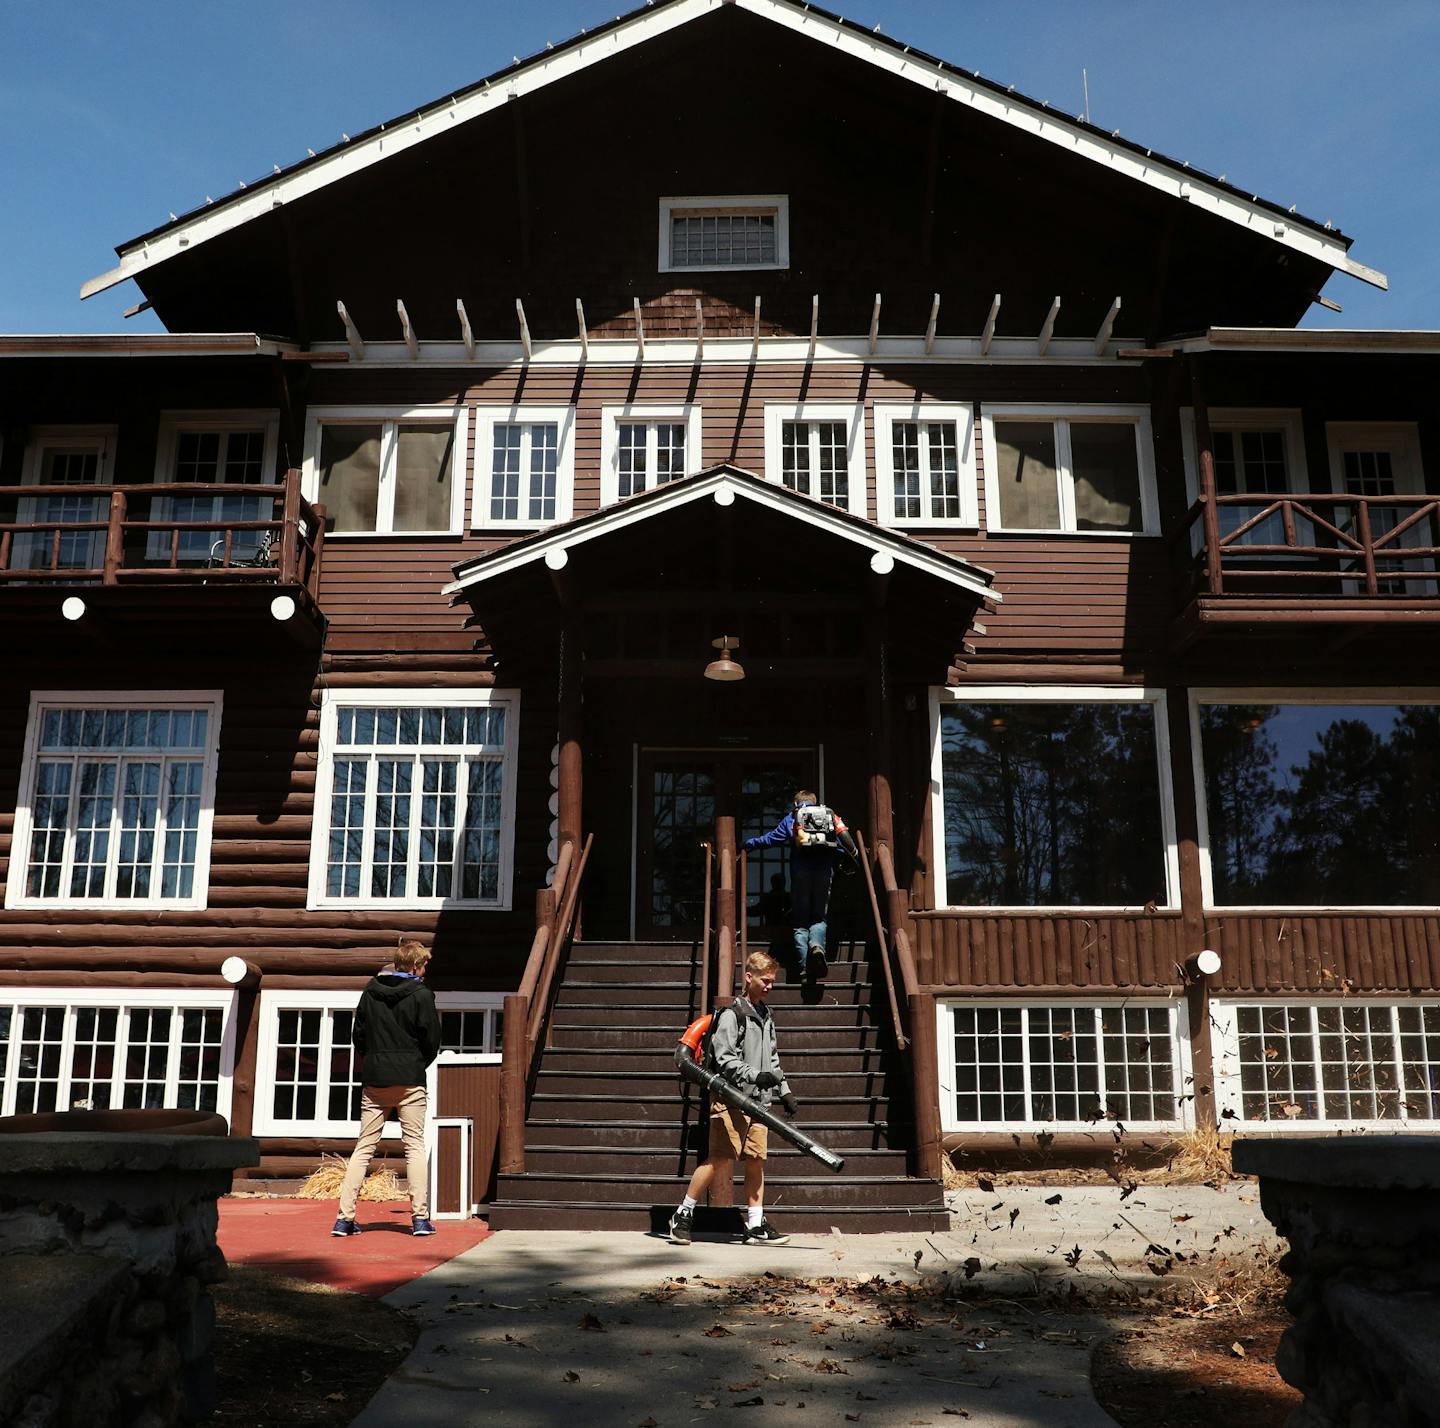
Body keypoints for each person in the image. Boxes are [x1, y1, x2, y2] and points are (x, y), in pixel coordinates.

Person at [669, 950, 797, 1247]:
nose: (769, 986)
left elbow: (773, 1058)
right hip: (730, 1099)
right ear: (748, 977)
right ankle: (682, 1214)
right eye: (765, 980)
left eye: (773, 981)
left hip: (759, 1103)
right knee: (719, 1159)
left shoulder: (766, 1015)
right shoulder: (732, 1014)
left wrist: (785, 1091)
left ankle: (754, 1225)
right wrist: (755, 1076)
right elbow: (725, 1058)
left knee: (756, 1161)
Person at [332, 939, 442, 1238]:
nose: (426, 969)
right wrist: (416, 1063)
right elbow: (432, 1039)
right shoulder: (421, 995)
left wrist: (375, 1061)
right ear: (416, 965)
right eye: (425, 964)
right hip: (409, 1079)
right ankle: (420, 1219)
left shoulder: (370, 992)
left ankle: (344, 1219)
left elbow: (359, 1035)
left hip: (376, 1078)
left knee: (364, 1147)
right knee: (414, 1146)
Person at [743, 790, 858, 979]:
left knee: (800, 923)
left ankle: (805, 968)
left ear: (796, 804)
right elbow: (844, 837)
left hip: (800, 875)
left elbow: (771, 839)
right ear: (814, 802)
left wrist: (748, 843)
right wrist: (854, 856)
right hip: (823, 873)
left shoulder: (793, 817)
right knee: (819, 918)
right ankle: (818, 948)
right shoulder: (829, 814)